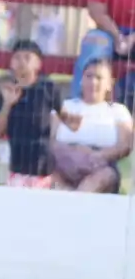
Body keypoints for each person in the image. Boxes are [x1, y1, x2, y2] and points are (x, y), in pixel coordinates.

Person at [49, 58, 134, 192]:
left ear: (109, 84)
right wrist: (69, 155)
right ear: (81, 80)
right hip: (63, 165)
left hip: (100, 166)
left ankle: (74, 203)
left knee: (104, 177)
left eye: (99, 78)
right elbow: (50, 139)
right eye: (89, 76)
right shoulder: (65, 106)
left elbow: (125, 146)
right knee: (49, 177)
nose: (93, 82)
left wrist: (98, 156)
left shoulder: (119, 111)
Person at [0, 39, 60, 188]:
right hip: (14, 161)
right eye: (17, 58)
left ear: (38, 64)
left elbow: (57, 125)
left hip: (43, 164)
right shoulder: (6, 90)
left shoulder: (48, 89)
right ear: (11, 63)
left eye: (27, 58)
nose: (22, 62)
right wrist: (7, 104)